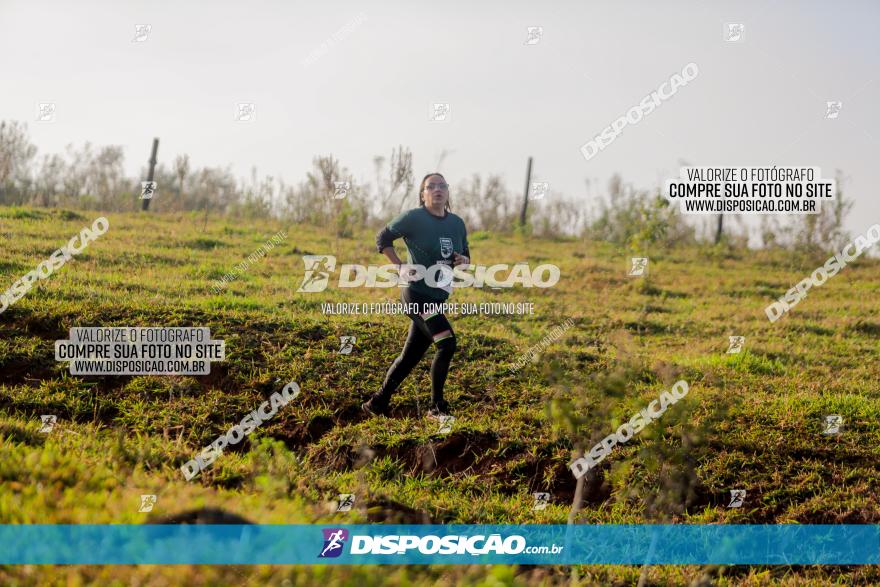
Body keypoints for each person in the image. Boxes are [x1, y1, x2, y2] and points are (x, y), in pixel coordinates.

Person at [362, 173, 470, 420]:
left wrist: (463, 260)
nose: (437, 190)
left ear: (448, 191)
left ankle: (377, 403)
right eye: (430, 186)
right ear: (423, 194)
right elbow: (383, 237)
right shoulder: (414, 218)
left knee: (410, 356)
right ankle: (436, 408)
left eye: (442, 185)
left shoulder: (457, 223)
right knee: (446, 344)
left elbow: (465, 255)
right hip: (416, 294)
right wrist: (399, 265)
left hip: (437, 297)